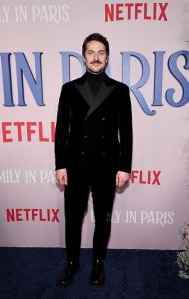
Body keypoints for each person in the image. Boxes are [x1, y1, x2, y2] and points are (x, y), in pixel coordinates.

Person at [55, 33, 133, 288]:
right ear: (83, 56)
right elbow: (62, 130)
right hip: (75, 164)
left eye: (101, 52)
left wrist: (124, 166)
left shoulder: (120, 91)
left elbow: (127, 131)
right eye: (91, 52)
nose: (96, 57)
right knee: (73, 217)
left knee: (103, 217)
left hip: (106, 165)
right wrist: (60, 164)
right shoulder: (69, 89)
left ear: (107, 57)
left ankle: (98, 263)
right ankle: (72, 262)